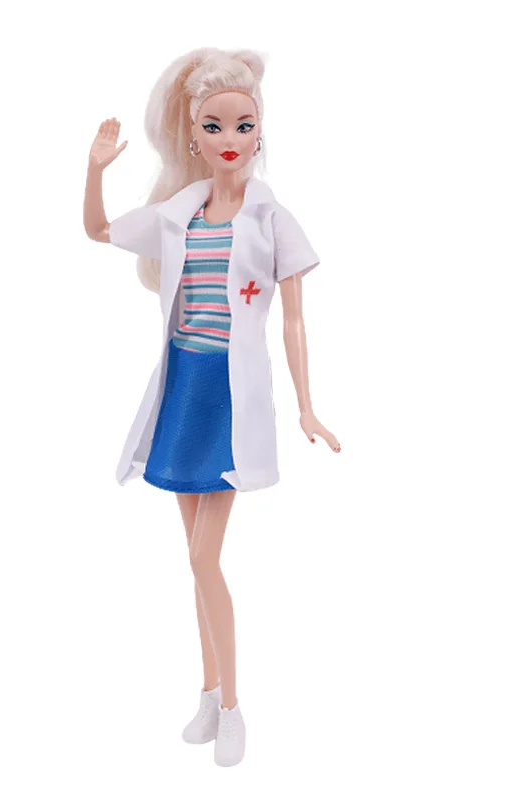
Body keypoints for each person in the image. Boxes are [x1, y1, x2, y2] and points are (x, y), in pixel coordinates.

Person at [83, 47, 340, 768]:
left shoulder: (271, 218)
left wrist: (307, 407)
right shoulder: (181, 213)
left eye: (244, 125)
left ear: (260, 132)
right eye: (215, 126)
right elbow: (98, 231)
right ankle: (206, 692)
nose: (231, 139)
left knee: (205, 557)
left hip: (229, 396)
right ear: (193, 136)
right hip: (183, 390)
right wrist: (95, 171)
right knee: (193, 561)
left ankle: (233, 709)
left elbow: (295, 320)